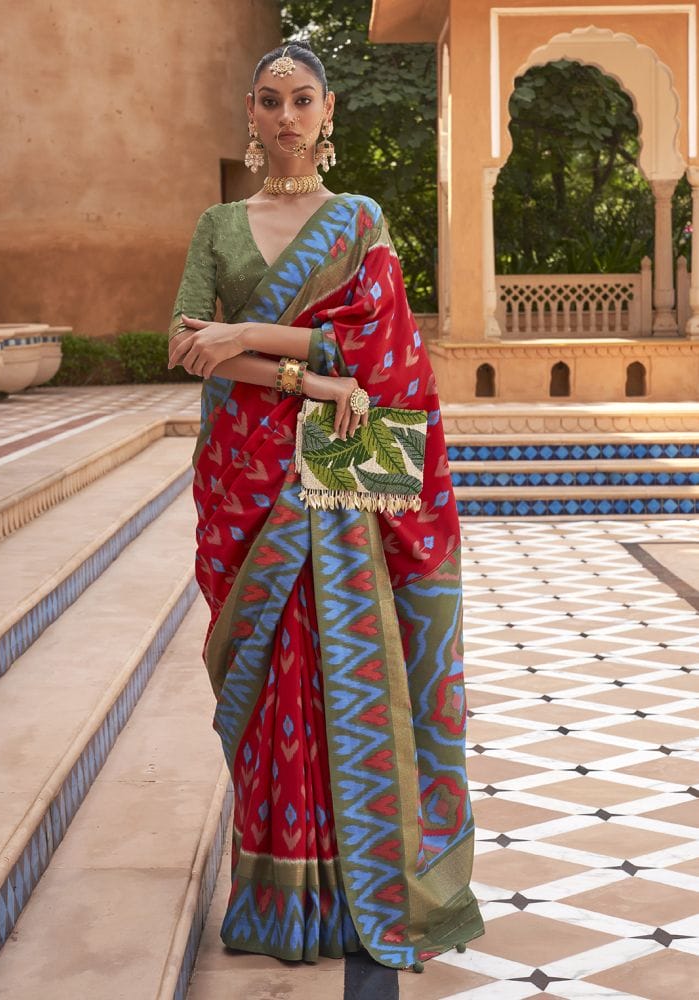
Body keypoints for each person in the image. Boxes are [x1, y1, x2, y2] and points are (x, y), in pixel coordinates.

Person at [167, 40, 485, 973]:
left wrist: (246, 339)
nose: (286, 118)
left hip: (336, 479)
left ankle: (365, 883)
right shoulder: (218, 226)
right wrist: (293, 374)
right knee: (266, 681)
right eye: (269, 101)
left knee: (348, 665)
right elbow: (184, 342)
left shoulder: (358, 219)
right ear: (252, 115)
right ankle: (276, 895)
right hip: (246, 478)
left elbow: (375, 355)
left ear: (328, 110)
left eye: (302, 99)